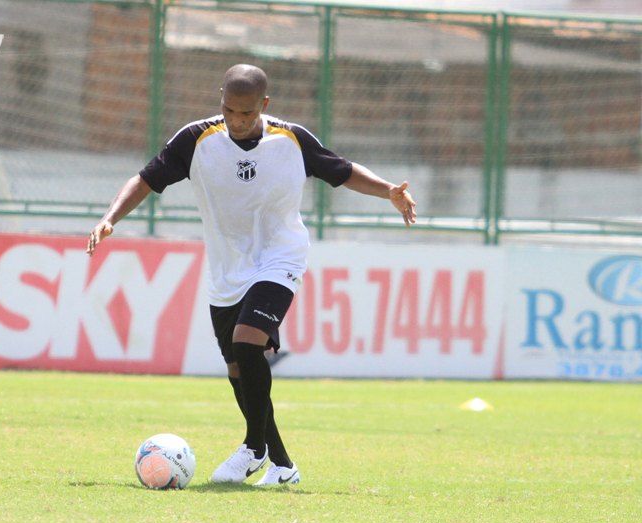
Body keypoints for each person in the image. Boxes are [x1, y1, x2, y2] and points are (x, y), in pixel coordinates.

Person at [87, 64, 417, 486]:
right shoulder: (196, 139)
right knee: (238, 369)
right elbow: (147, 179)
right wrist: (110, 218)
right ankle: (282, 466)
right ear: (221, 99)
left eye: (246, 113)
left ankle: (253, 448)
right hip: (226, 270)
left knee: (248, 342)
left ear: (264, 104)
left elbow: (342, 170)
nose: (236, 121)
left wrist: (388, 190)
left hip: (280, 258)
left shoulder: (291, 140)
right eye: (229, 110)